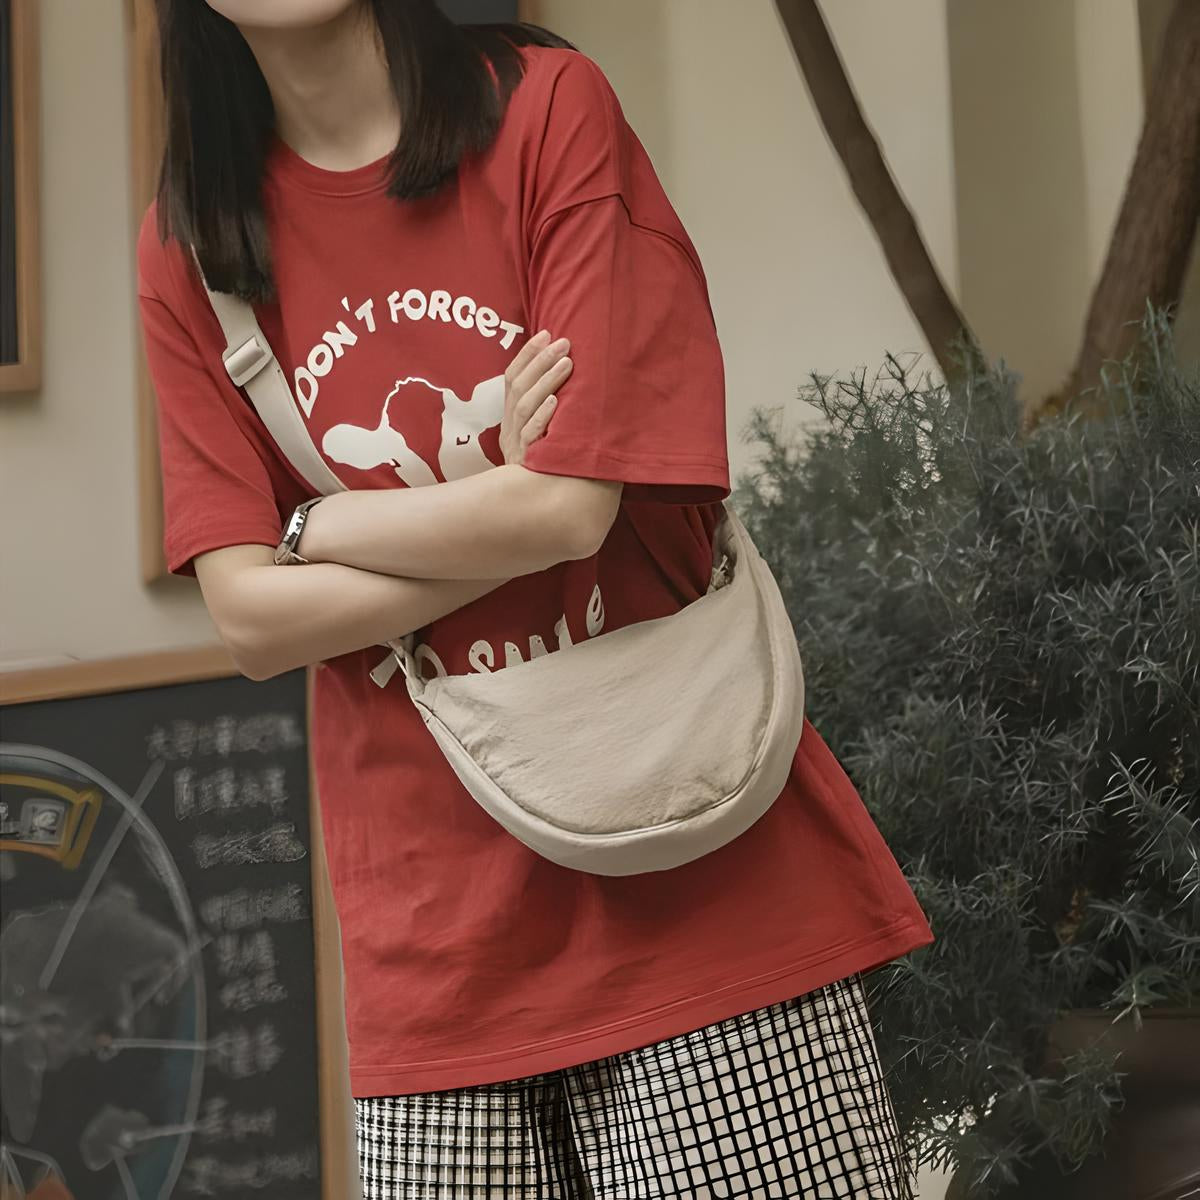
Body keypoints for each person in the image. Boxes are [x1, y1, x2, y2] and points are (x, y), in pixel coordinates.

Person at [136, 2, 935, 1196]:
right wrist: (500, 492)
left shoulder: (545, 112)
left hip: (700, 879)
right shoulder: (190, 247)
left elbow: (570, 513)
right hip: (435, 954)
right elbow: (250, 623)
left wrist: (307, 527)